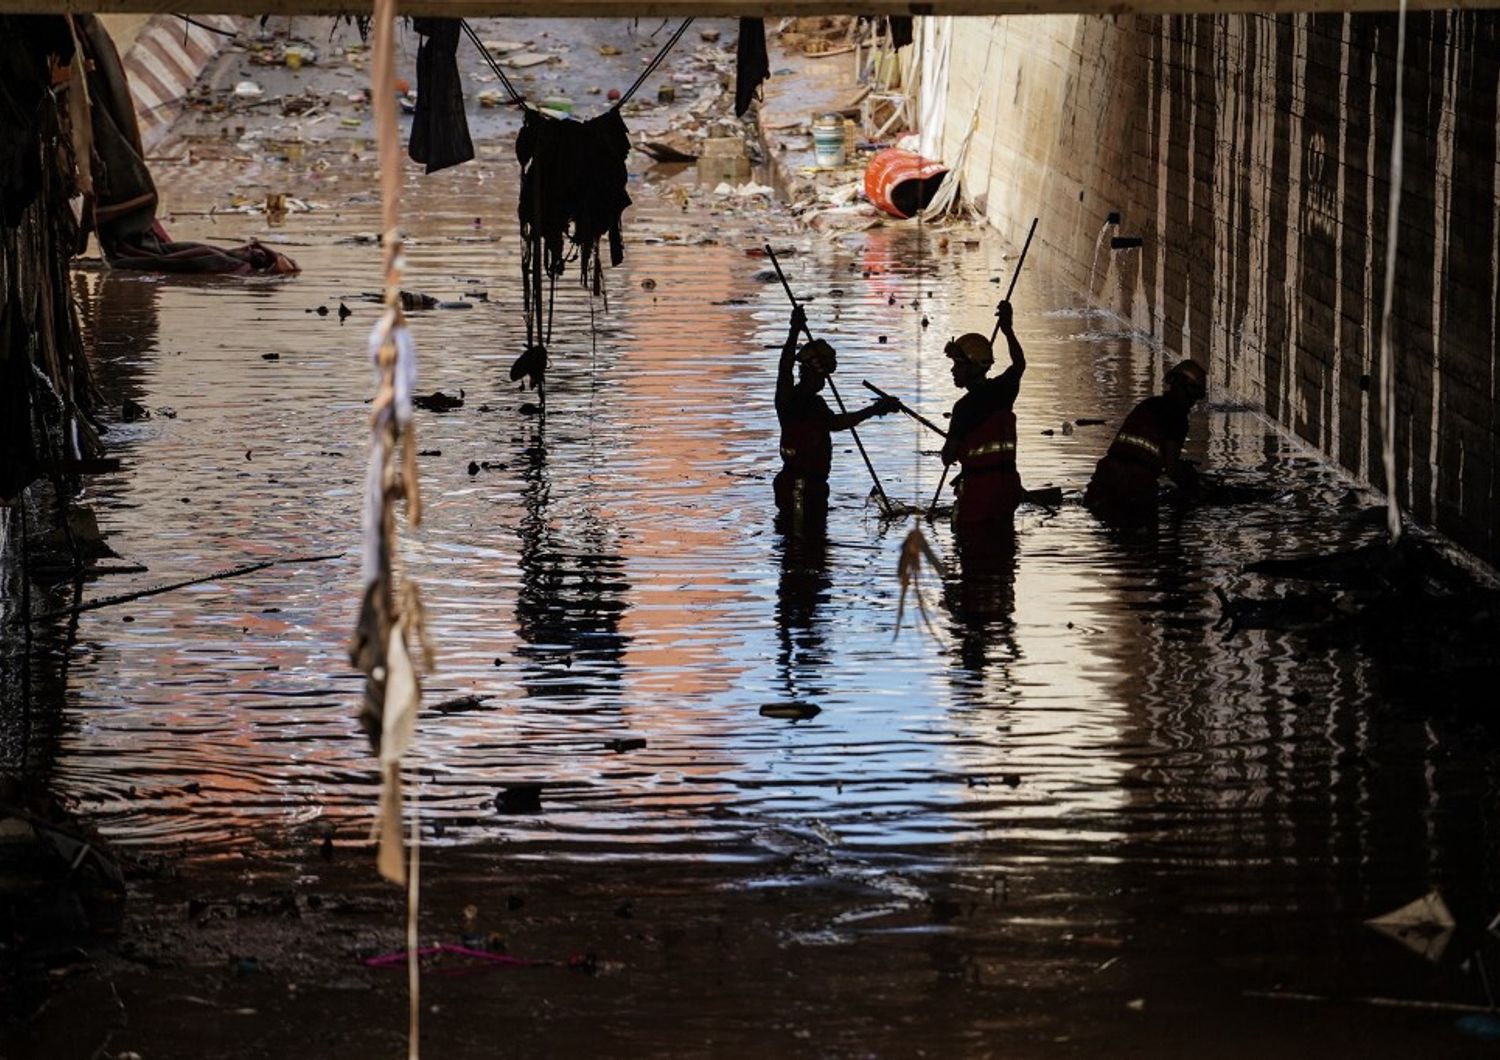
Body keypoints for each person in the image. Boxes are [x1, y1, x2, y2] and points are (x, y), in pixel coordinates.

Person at [774, 306, 898, 526]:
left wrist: (876, 409)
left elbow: (836, 423)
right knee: (799, 543)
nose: (824, 381)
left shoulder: (816, 403)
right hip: (798, 489)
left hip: (816, 486)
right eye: (821, 375)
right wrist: (794, 330)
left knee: (814, 545)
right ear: (809, 372)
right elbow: (785, 369)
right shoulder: (790, 402)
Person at [1084, 359, 1208, 526]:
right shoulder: (1177, 418)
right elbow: (1171, 470)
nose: (1193, 403)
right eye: (1194, 395)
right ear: (1184, 388)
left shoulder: (1148, 404)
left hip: (1105, 475)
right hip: (1135, 485)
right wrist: (1192, 484)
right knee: (1143, 545)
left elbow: (1138, 449)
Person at [940, 301, 1025, 536]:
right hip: (1008, 490)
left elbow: (947, 458)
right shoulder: (1004, 391)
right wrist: (1008, 329)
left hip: (979, 496)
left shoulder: (964, 409)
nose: (953, 370)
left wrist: (951, 444)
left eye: (958, 364)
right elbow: (1019, 364)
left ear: (974, 366)